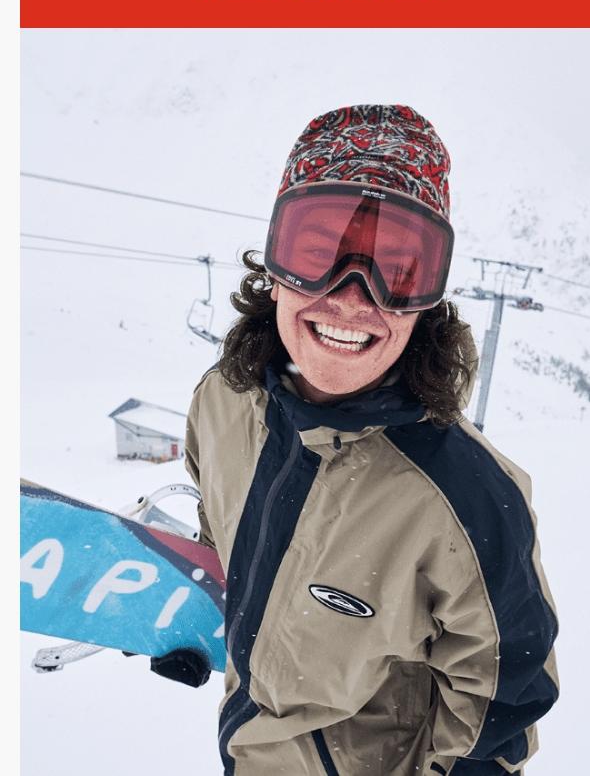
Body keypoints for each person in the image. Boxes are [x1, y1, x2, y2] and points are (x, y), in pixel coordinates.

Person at [179, 105, 559, 775]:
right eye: (317, 251)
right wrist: (195, 622)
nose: (354, 298)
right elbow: (225, 541)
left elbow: (502, 703)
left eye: (398, 269)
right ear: (275, 266)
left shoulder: (466, 498)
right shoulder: (223, 403)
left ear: (427, 301)